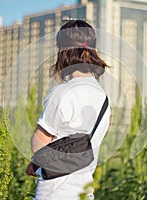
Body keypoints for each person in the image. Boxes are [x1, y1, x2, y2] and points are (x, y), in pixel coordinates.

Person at [30, 19, 111, 200]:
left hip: (55, 192)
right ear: (93, 50)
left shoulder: (62, 93)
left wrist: (34, 164)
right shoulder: (104, 98)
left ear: (62, 52)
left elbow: (39, 145)